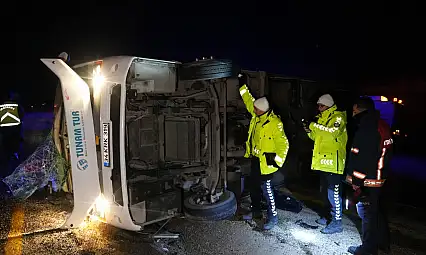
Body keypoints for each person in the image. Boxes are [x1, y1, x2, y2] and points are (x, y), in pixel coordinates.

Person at [238, 73, 289, 230]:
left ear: (262, 110)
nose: (253, 109)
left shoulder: (275, 123)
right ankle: (256, 213)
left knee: (267, 190)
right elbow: (248, 100)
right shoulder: (257, 115)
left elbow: (284, 144)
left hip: (266, 163)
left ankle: (273, 217)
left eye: (256, 108)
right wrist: (242, 85)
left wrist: (275, 162)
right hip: (255, 159)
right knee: (253, 187)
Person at [345, 97, 392, 255]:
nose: (352, 113)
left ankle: (368, 249)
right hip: (379, 177)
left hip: (369, 180)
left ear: (359, 109)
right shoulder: (381, 124)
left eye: (354, 110)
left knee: (366, 214)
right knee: (376, 212)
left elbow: (363, 157)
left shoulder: (367, 126)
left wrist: (357, 181)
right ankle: (382, 243)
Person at [305, 94, 348, 234]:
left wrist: (313, 125)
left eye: (321, 105)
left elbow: (331, 134)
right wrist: (308, 130)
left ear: (328, 105)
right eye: (318, 105)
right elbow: (317, 137)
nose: (319, 108)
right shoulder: (322, 119)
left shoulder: (338, 118)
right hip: (323, 163)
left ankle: (337, 223)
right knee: (324, 192)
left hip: (333, 163)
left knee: (333, 194)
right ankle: (327, 216)